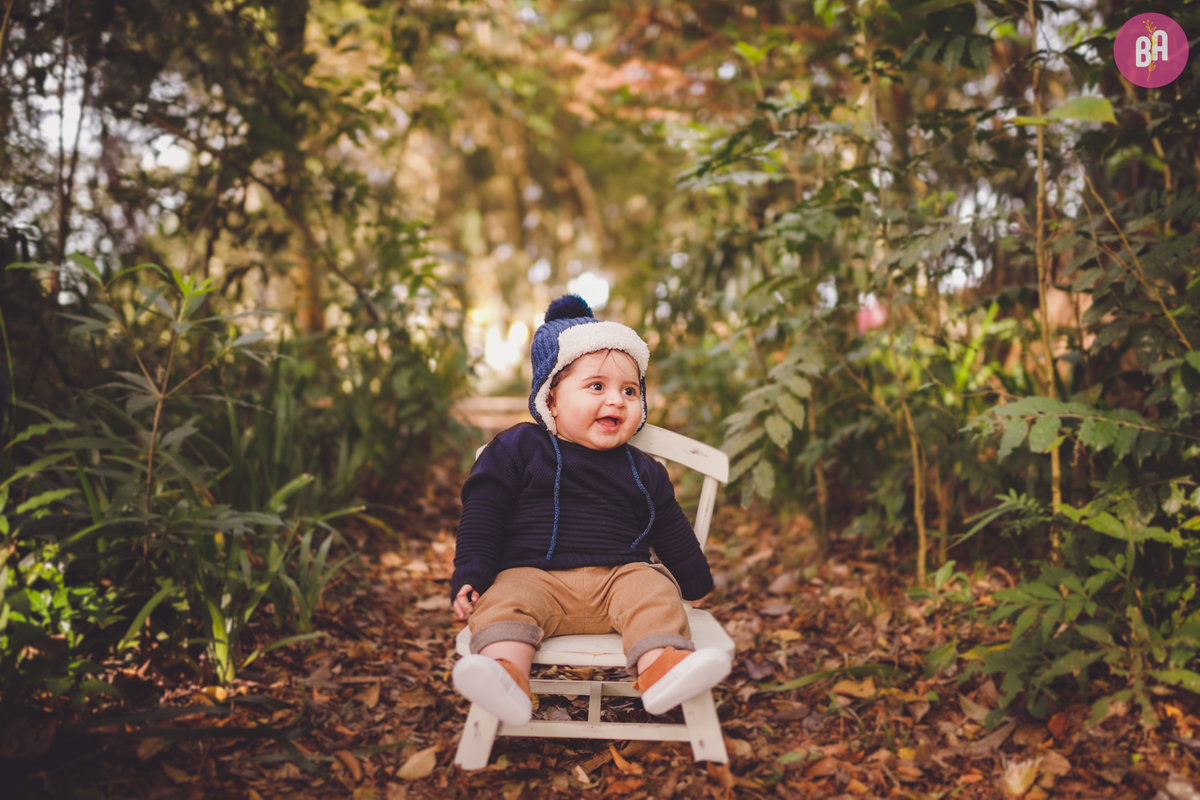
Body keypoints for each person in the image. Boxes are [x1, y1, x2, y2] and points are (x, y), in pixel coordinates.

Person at [449, 294, 731, 727]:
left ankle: (661, 669)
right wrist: (472, 571)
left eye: (629, 391)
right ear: (551, 399)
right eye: (597, 386)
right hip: (532, 576)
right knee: (503, 602)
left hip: (620, 577)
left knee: (655, 593)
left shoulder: (642, 469)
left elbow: (669, 526)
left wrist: (695, 581)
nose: (616, 400)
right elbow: (485, 511)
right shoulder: (519, 448)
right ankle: (505, 675)